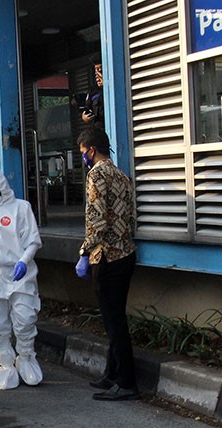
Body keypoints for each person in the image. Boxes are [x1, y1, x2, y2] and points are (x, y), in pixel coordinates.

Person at [74, 127, 139, 401]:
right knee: (117, 318)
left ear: (90, 149)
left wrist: (84, 253)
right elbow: (130, 217)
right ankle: (112, 374)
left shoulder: (96, 175)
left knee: (114, 322)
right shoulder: (122, 175)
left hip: (107, 257)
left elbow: (97, 220)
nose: (84, 158)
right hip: (126, 254)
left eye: (83, 153)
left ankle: (126, 383)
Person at [0, 167, 43, 389]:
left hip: (19, 272)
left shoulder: (21, 208)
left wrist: (24, 260)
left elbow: (32, 240)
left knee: (25, 317)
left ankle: (26, 358)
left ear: (2, 188)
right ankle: (5, 365)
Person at [80, 63, 104, 127]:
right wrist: (85, 118)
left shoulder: (113, 88)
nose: (97, 76)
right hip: (99, 127)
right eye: (96, 73)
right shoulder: (93, 91)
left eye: (100, 71)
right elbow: (87, 109)